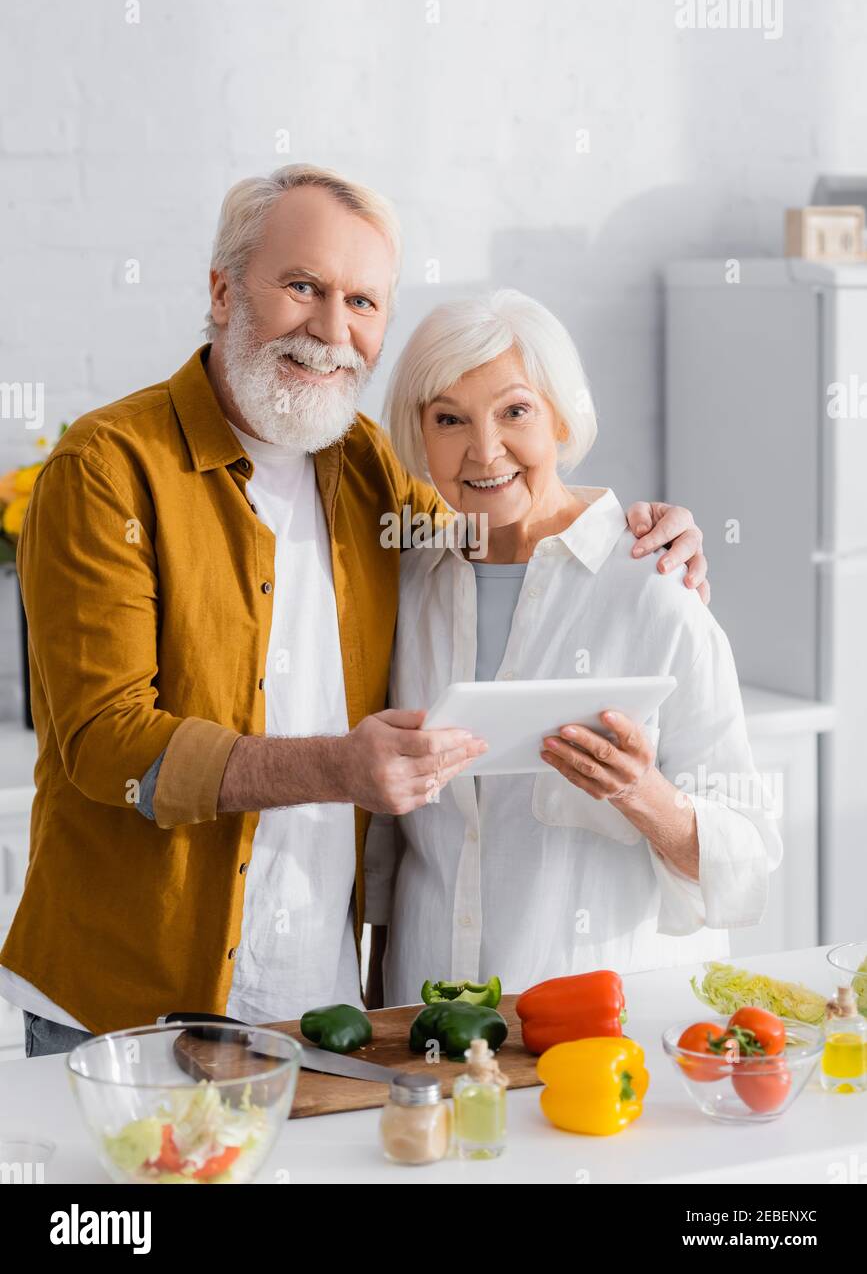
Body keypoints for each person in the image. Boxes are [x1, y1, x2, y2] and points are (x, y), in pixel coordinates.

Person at [0, 164, 710, 1056]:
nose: (332, 332)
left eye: (364, 302)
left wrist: (642, 529)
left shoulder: (366, 466)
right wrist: (340, 767)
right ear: (223, 292)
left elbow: (497, 495)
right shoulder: (108, 468)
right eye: (302, 287)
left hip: (321, 1004)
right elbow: (105, 743)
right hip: (127, 1007)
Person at [364, 289, 782, 1006]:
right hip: (426, 1014)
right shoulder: (408, 583)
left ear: (559, 415)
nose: (483, 449)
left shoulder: (653, 585)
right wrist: (378, 998)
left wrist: (641, 795)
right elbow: (389, 835)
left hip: (597, 1027)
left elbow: (748, 864)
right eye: (449, 419)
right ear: (419, 434)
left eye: (514, 411)